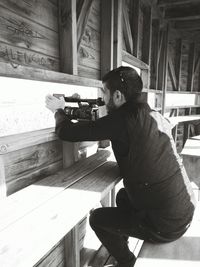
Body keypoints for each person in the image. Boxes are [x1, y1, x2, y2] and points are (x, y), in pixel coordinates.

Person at [45, 66, 196, 267]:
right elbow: (107, 125)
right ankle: (123, 238)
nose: (103, 99)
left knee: (97, 219)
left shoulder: (123, 119)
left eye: (104, 93)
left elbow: (67, 132)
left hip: (166, 226)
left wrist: (58, 110)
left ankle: (126, 262)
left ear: (117, 95)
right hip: (184, 210)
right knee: (122, 196)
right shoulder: (149, 113)